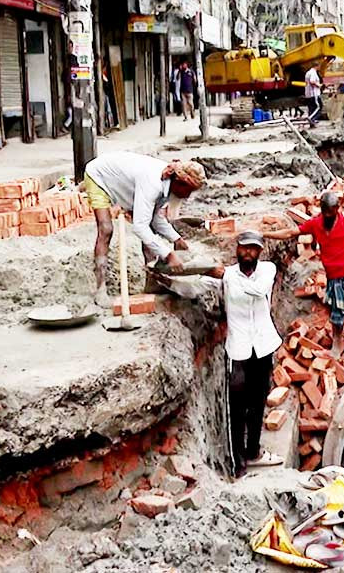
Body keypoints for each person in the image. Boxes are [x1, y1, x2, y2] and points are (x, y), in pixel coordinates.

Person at [264, 191, 344, 363]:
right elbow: (291, 233)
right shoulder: (316, 224)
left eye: (330, 212)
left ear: (337, 209)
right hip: (334, 279)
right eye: (324, 211)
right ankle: (336, 349)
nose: (327, 215)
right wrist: (265, 235)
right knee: (337, 316)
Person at [201, 230, 285, 478]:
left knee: (258, 402)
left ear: (260, 251)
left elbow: (259, 291)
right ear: (237, 249)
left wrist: (226, 276)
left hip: (262, 347)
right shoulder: (226, 275)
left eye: (253, 249)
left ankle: (253, 451)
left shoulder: (266, 270)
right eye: (244, 248)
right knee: (236, 409)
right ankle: (238, 463)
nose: (248, 253)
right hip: (237, 351)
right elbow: (197, 285)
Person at [82, 152, 206, 305]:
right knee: (106, 229)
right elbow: (140, 227)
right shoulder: (153, 184)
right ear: (180, 183)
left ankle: (152, 283)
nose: (187, 196)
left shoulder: (167, 185)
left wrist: (176, 239)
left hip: (126, 183)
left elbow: (155, 218)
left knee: (150, 234)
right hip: (99, 176)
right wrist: (168, 255)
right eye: (188, 190)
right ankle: (100, 289)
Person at [304, 62, 323, 127]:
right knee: (319, 107)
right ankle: (312, 118)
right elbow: (312, 81)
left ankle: (311, 123)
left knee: (311, 108)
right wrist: (319, 85)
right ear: (317, 66)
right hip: (314, 94)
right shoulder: (313, 73)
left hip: (308, 94)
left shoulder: (308, 73)